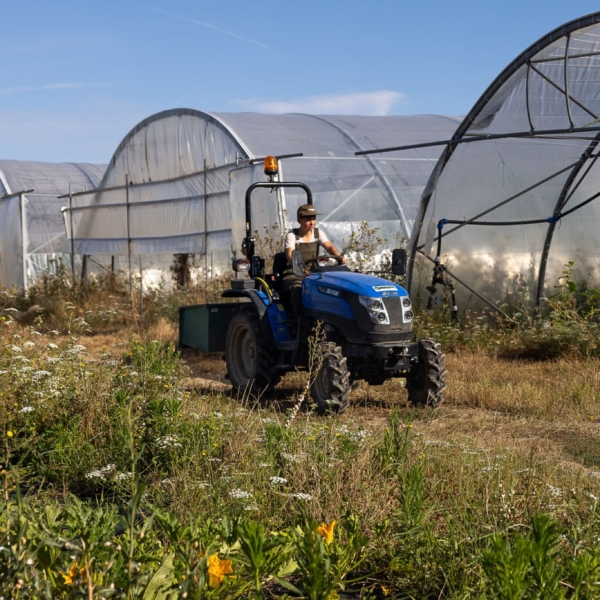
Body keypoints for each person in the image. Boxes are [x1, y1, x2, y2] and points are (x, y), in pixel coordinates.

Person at [282, 204, 346, 316]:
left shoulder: (317, 233)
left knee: (331, 286)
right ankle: (301, 319)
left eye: (313, 219)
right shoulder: (292, 235)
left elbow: (329, 247)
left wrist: (338, 256)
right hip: (294, 272)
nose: (312, 223)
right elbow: (290, 254)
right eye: (308, 220)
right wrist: (299, 268)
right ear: (299, 220)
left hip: (314, 271)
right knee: (298, 288)